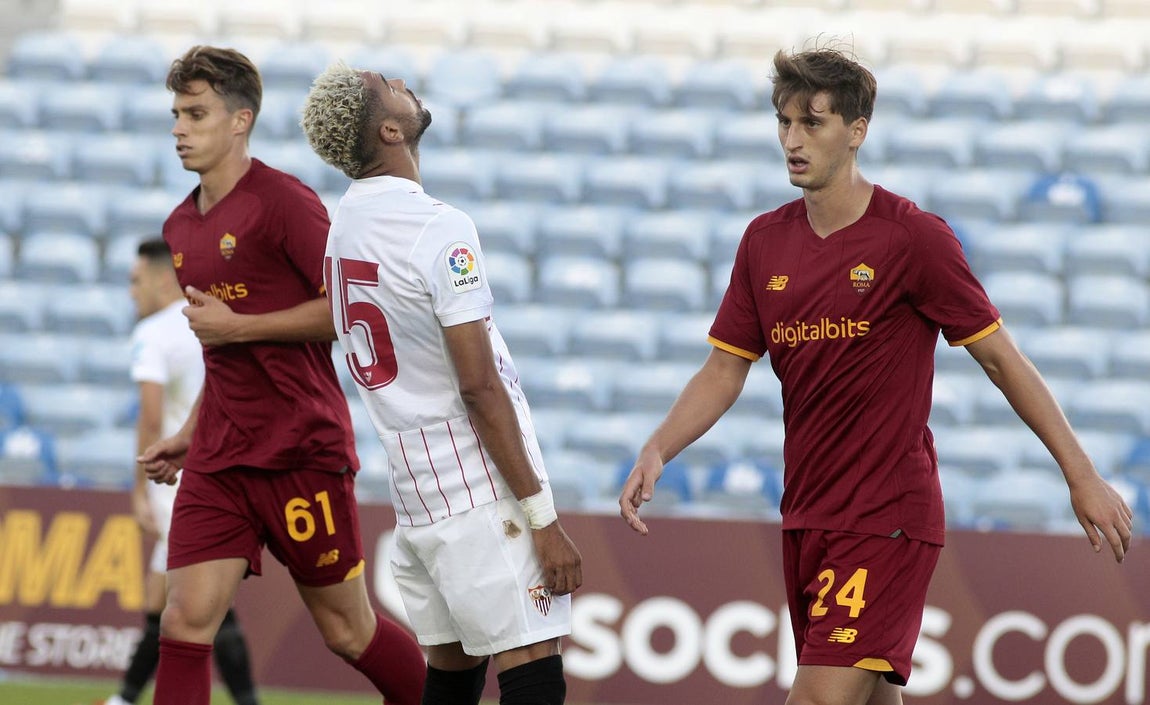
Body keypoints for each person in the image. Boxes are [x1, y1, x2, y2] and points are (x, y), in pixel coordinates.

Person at [618, 45, 1134, 705]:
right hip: (807, 513)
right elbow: (724, 369)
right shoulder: (763, 242)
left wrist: (1080, 473)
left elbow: (1002, 359)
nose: (793, 140)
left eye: (813, 123)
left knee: (816, 698)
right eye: (784, 122)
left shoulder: (912, 238)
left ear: (857, 130)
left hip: (885, 515)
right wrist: (659, 446)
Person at [137, 46, 426, 705]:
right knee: (183, 623)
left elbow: (347, 314)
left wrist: (240, 325)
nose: (179, 128)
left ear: (241, 120)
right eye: (176, 113)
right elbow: (222, 355)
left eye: (196, 114)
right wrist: (190, 432)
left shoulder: (285, 203)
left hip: (300, 449)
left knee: (347, 631)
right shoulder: (179, 226)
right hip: (219, 459)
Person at [300, 63, 583, 705]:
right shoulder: (439, 227)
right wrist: (542, 518)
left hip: (414, 494)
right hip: (475, 485)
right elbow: (479, 387)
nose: (403, 81)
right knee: (533, 669)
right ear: (391, 130)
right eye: (388, 85)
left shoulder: (344, 227)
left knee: (452, 675)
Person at [103, 237, 261, 705]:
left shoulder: (153, 332)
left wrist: (139, 490)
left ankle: (248, 702)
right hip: (223, 468)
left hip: (178, 480)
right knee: (161, 600)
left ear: (159, 279)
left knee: (201, 604)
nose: (131, 291)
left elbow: (151, 417)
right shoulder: (209, 320)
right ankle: (125, 698)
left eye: (136, 280)